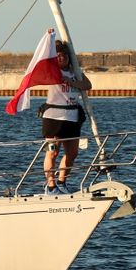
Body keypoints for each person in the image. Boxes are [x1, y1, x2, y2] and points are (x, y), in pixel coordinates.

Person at [41, 40, 93, 195]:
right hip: (54, 118)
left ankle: (62, 182)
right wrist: (50, 38)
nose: (61, 59)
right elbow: (46, 58)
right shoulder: (53, 71)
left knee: (72, 153)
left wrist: (72, 82)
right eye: (57, 56)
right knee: (52, 152)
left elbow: (87, 85)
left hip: (71, 117)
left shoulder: (74, 72)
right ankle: (51, 185)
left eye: (63, 56)